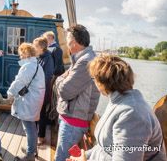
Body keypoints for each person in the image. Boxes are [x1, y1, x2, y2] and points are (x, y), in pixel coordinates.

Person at [68, 54, 167, 161]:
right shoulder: (119, 100)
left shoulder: (131, 114)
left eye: (94, 79)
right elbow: (105, 146)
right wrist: (86, 156)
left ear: (102, 83)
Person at [54, 24, 100, 161]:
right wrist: (65, 77)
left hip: (73, 123)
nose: (66, 42)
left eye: (67, 38)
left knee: (61, 158)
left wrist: (59, 79)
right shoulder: (81, 58)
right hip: (71, 119)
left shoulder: (85, 61)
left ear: (73, 42)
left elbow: (64, 91)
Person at [7, 43, 45, 161]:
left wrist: (10, 94)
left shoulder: (28, 66)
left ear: (26, 53)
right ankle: (32, 148)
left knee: (29, 127)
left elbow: (19, 82)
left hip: (30, 100)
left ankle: (30, 155)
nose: (20, 56)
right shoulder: (35, 64)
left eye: (21, 53)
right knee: (31, 125)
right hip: (34, 98)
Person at [33, 37, 55, 146]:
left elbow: (47, 76)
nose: (33, 48)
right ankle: (35, 135)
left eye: (35, 46)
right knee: (36, 113)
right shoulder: (40, 57)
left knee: (41, 114)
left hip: (43, 91)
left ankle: (41, 137)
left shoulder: (48, 59)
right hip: (37, 90)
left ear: (41, 47)